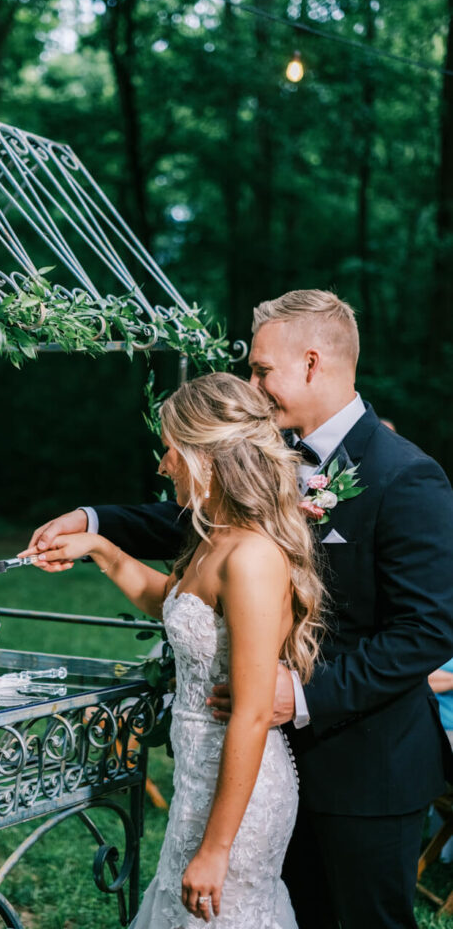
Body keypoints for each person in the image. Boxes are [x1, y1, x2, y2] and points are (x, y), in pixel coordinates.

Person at [28, 290, 453, 929]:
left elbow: (426, 631)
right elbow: (190, 520)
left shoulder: (405, 476)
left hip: (364, 765)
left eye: (261, 370)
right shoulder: (265, 457)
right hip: (258, 766)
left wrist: (300, 698)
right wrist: (94, 524)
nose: (252, 385)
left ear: (312, 363)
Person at [21, 372, 325, 927]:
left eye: (170, 450)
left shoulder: (251, 556)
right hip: (199, 781)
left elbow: (254, 713)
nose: (163, 465)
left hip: (240, 799)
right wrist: (100, 548)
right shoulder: (217, 538)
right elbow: (172, 600)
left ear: (203, 456)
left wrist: (217, 848)